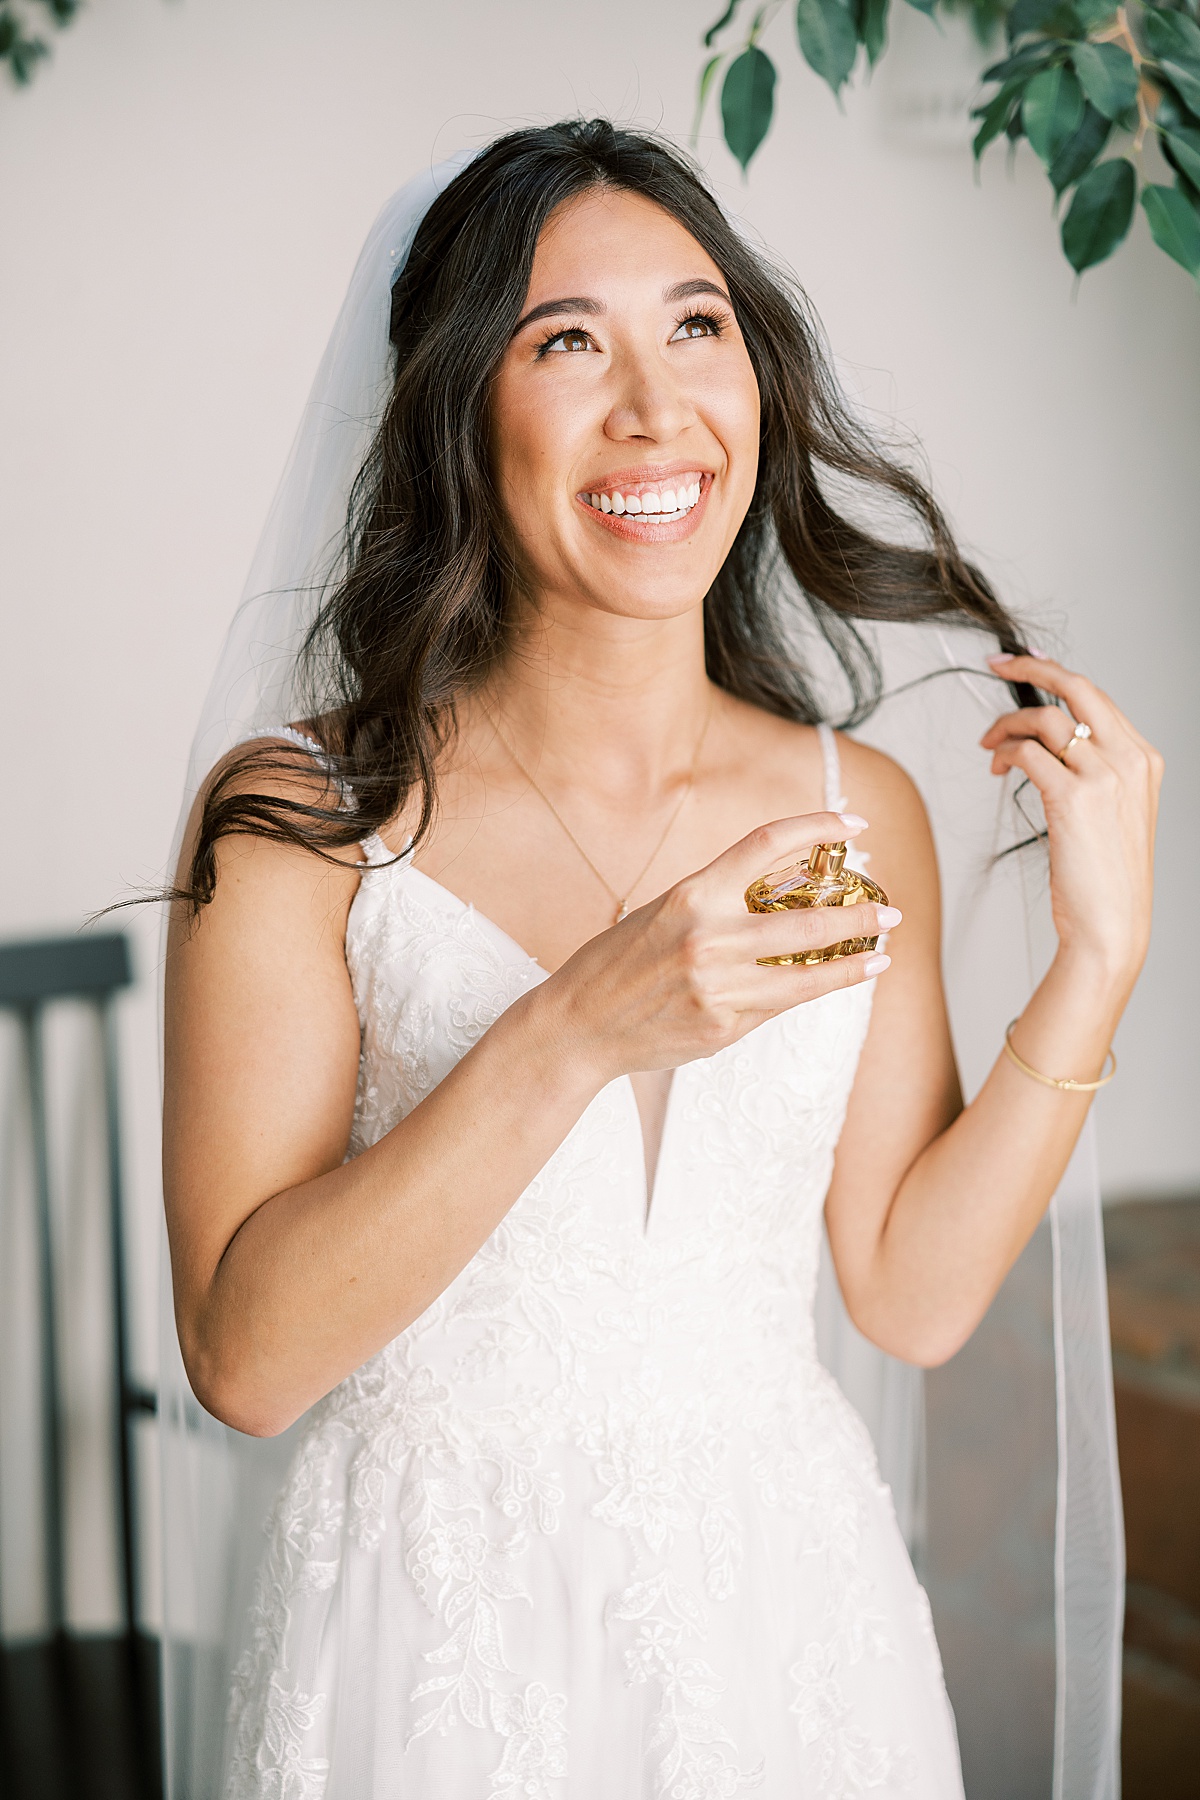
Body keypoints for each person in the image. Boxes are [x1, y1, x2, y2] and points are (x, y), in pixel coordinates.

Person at [161, 120, 1160, 1798]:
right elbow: (246, 1364)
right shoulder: (307, 818)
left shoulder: (853, 810)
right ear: (459, 412)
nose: (655, 408)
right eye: (569, 344)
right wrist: (577, 1026)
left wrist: (1097, 960)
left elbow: (908, 1295)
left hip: (790, 1629)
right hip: (430, 1645)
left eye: (698, 327)